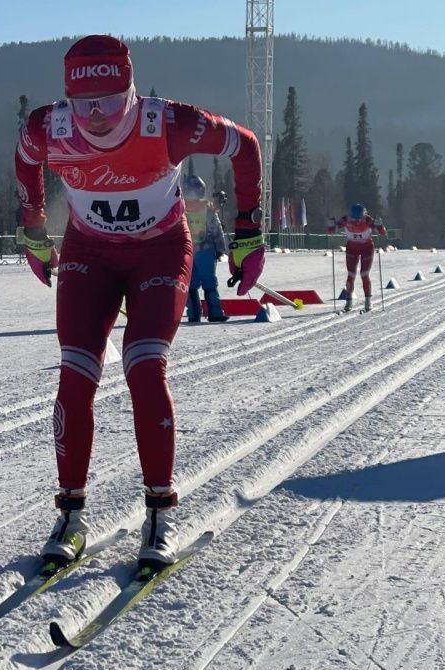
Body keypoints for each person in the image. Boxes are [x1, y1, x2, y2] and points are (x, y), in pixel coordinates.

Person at [14, 35, 264, 573]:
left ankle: (160, 513)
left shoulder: (167, 124)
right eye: (83, 105)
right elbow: (24, 161)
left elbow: (245, 146)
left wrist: (248, 231)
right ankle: (71, 515)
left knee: (144, 365)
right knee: (75, 374)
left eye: (109, 101)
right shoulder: (48, 126)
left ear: (131, 91)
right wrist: (34, 231)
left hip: (159, 252)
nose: (97, 116)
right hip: (90, 256)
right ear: (66, 100)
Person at [183, 177, 230, 323]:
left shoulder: (181, 208)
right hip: (206, 250)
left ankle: (193, 314)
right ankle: (215, 313)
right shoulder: (206, 207)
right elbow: (215, 228)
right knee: (209, 283)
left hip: (189, 251)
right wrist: (221, 248)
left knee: (191, 285)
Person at [327, 203, 386, 312]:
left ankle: (368, 302)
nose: (356, 222)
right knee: (351, 275)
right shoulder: (346, 219)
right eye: (354, 220)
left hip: (367, 249)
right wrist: (331, 225)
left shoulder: (367, 220)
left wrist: (380, 225)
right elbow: (331, 231)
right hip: (352, 249)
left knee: (364, 274)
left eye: (359, 219)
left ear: (364, 215)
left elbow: (382, 232)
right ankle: (349, 302)